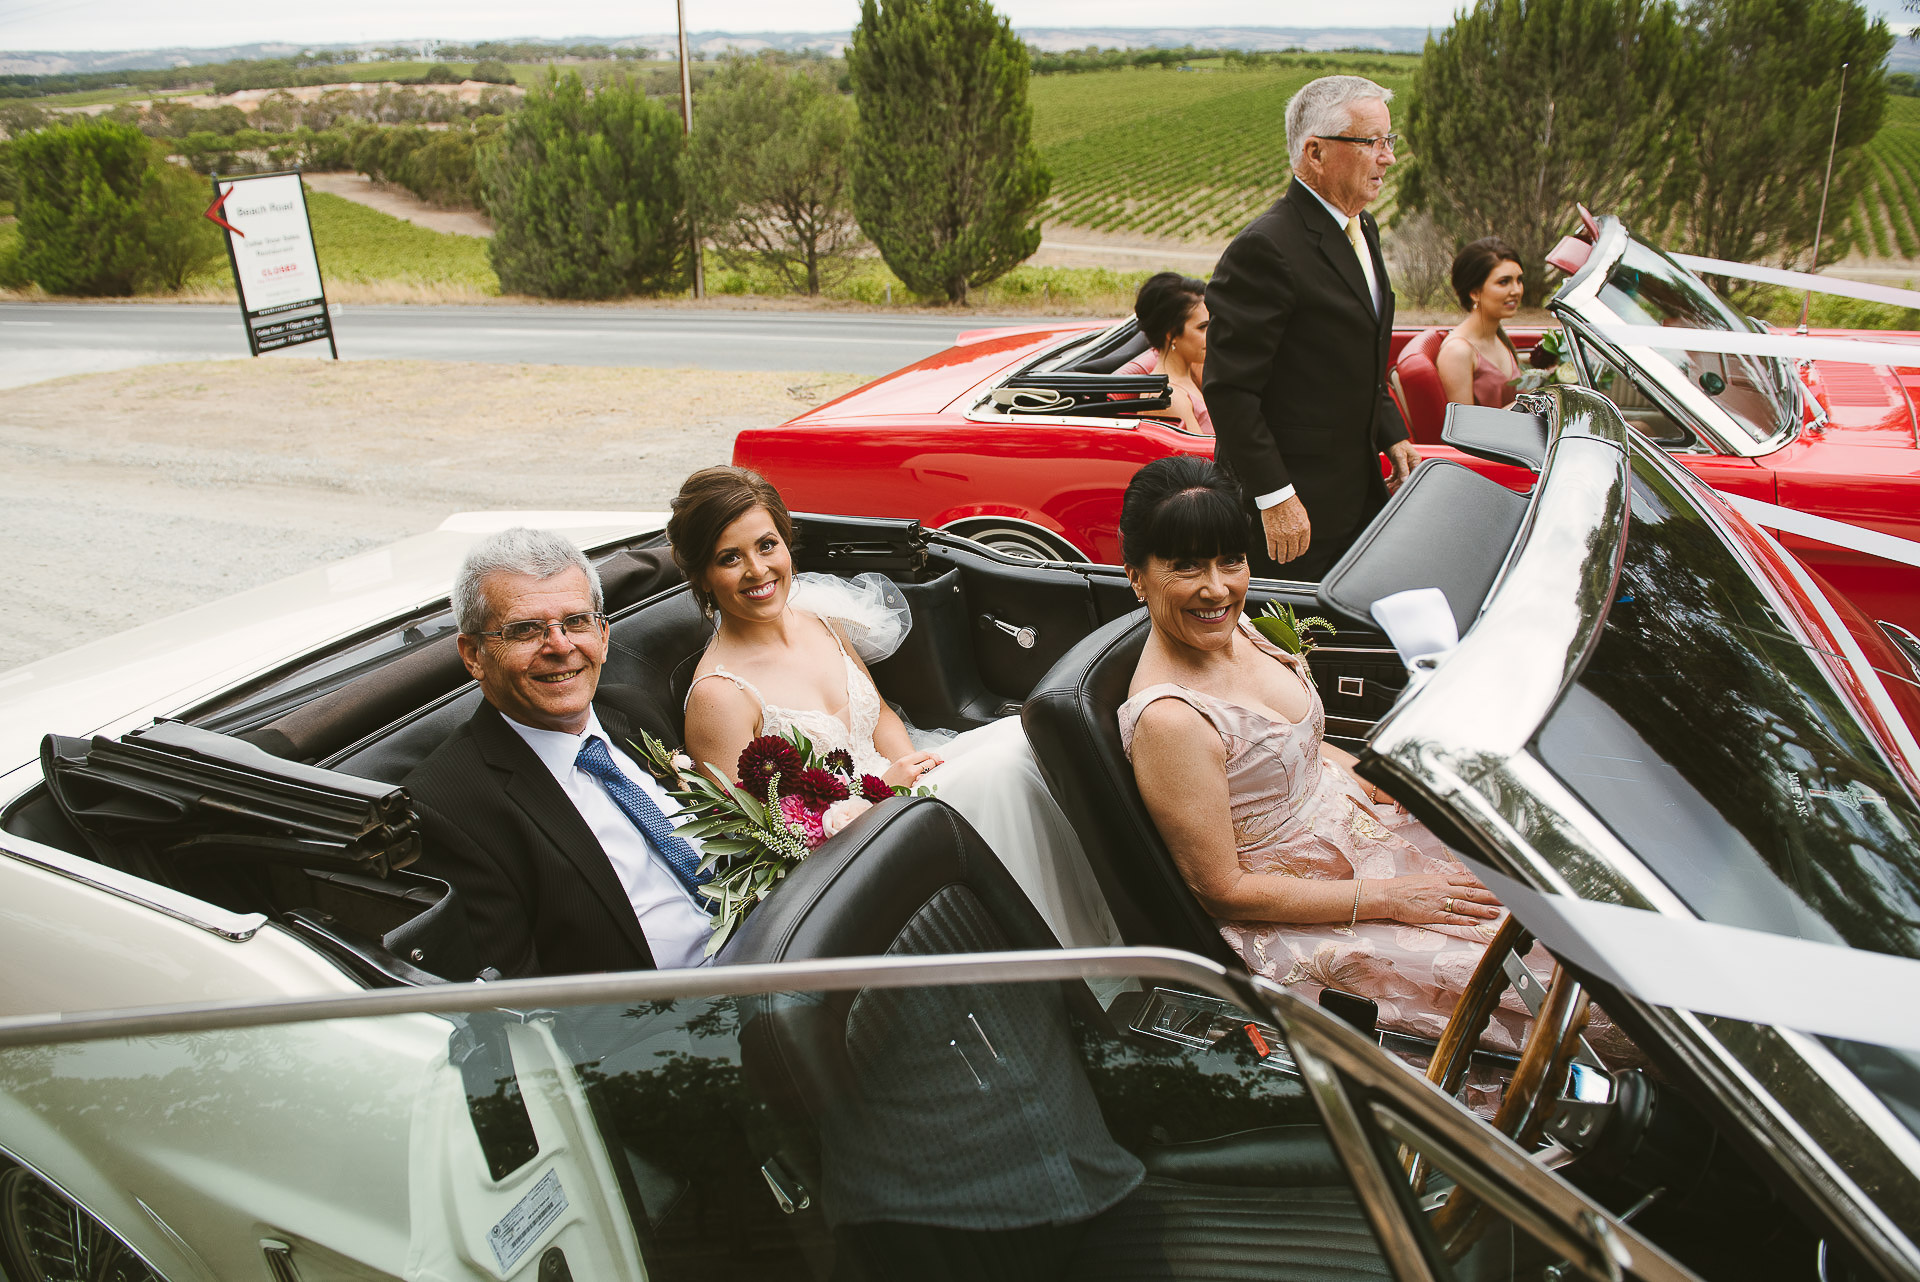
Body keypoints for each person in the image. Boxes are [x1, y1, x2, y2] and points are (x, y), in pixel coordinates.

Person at [1115, 456, 1539, 1051]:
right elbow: (1221, 888)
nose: (1216, 589)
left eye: (1230, 561)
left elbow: (1300, 747)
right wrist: (1390, 901)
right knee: (1536, 983)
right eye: (1185, 567)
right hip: (1306, 912)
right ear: (1136, 574)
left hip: (1363, 831)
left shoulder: (1233, 627)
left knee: (1541, 891)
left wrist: (1377, 780)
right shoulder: (1171, 720)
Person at [672, 465, 1122, 950]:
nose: (758, 571)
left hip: (900, 790)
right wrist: (878, 798)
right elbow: (762, 845)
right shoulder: (719, 695)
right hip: (850, 847)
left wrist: (915, 774)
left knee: (1025, 734)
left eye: (766, 545)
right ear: (700, 575)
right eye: (729, 558)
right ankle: (1056, 961)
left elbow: (880, 714)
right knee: (1000, 771)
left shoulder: (819, 619)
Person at [405, 526, 716, 977]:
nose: (561, 646)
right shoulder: (447, 807)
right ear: (473, 655)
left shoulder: (632, 710)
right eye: (526, 629)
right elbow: (525, 1005)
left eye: (576, 621)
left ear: (604, 636)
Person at [1203, 75, 1422, 581]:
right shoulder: (1265, 249)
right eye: (1371, 142)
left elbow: (1355, 350)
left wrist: (1393, 434)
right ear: (1316, 153)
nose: (1387, 157)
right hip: (1293, 512)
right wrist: (1275, 497)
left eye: (1389, 140)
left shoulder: (1361, 226)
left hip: (1356, 494)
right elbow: (1230, 390)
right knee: (1292, 651)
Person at [1116, 271, 1212, 434]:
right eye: (1202, 327)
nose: (1211, 334)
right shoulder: (1170, 398)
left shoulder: (1189, 378)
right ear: (1171, 333)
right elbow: (1205, 456)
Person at [1438, 237, 1525, 409]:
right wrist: (1527, 406)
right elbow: (1464, 431)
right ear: (1475, 293)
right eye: (1504, 282)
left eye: (1519, 280)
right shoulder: (1458, 352)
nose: (1516, 290)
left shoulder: (1498, 336)